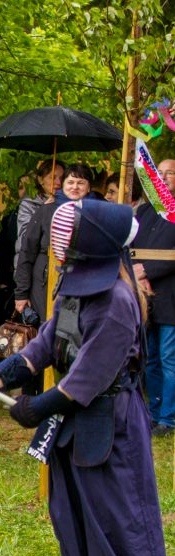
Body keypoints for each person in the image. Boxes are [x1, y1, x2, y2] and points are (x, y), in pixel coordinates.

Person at [0, 199, 170, 556]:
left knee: (122, 522)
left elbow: (87, 379)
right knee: (69, 512)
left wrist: (37, 407)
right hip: (72, 423)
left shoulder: (117, 301)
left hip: (112, 423)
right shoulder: (74, 285)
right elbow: (47, 341)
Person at [15, 164, 96, 322]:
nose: (75, 187)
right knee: (46, 332)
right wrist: (21, 293)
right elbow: (27, 251)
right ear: (63, 185)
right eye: (70, 182)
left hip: (81, 282)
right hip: (44, 284)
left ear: (88, 187)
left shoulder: (96, 214)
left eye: (80, 183)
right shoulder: (45, 211)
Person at [133, 158, 175, 436]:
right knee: (150, 359)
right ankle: (153, 412)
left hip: (171, 297)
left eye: (169, 173)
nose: (164, 178)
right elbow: (132, 246)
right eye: (159, 173)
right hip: (145, 297)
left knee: (169, 359)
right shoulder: (145, 211)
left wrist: (147, 269)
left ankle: (168, 418)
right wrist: (138, 273)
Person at [13, 159, 65, 271]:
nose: (58, 183)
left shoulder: (67, 205)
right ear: (41, 180)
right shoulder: (29, 204)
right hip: (30, 267)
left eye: (62, 178)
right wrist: (43, 212)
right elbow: (24, 240)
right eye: (52, 177)